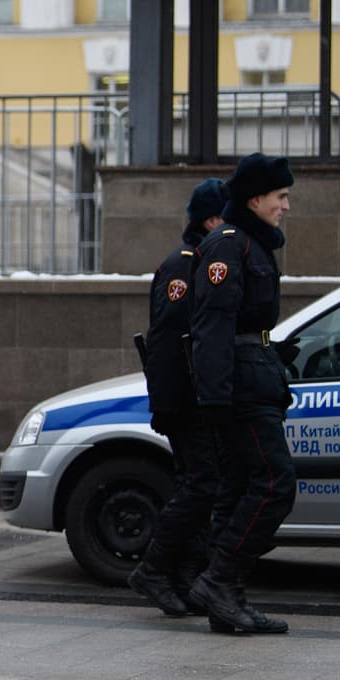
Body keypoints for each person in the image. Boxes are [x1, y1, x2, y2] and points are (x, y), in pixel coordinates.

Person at [186, 153, 296, 634]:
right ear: (255, 199)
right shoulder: (229, 246)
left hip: (254, 374)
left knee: (238, 491)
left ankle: (227, 597)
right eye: (281, 197)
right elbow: (213, 326)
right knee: (276, 483)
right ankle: (219, 580)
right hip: (240, 383)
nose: (286, 206)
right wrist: (215, 397)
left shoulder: (251, 244)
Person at [128, 178, 229, 618]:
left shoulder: (203, 260)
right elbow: (174, 339)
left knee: (202, 484)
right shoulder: (184, 265)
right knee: (201, 483)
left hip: (194, 396)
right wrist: (178, 400)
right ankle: (154, 569)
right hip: (184, 398)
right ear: (210, 220)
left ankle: (184, 575)